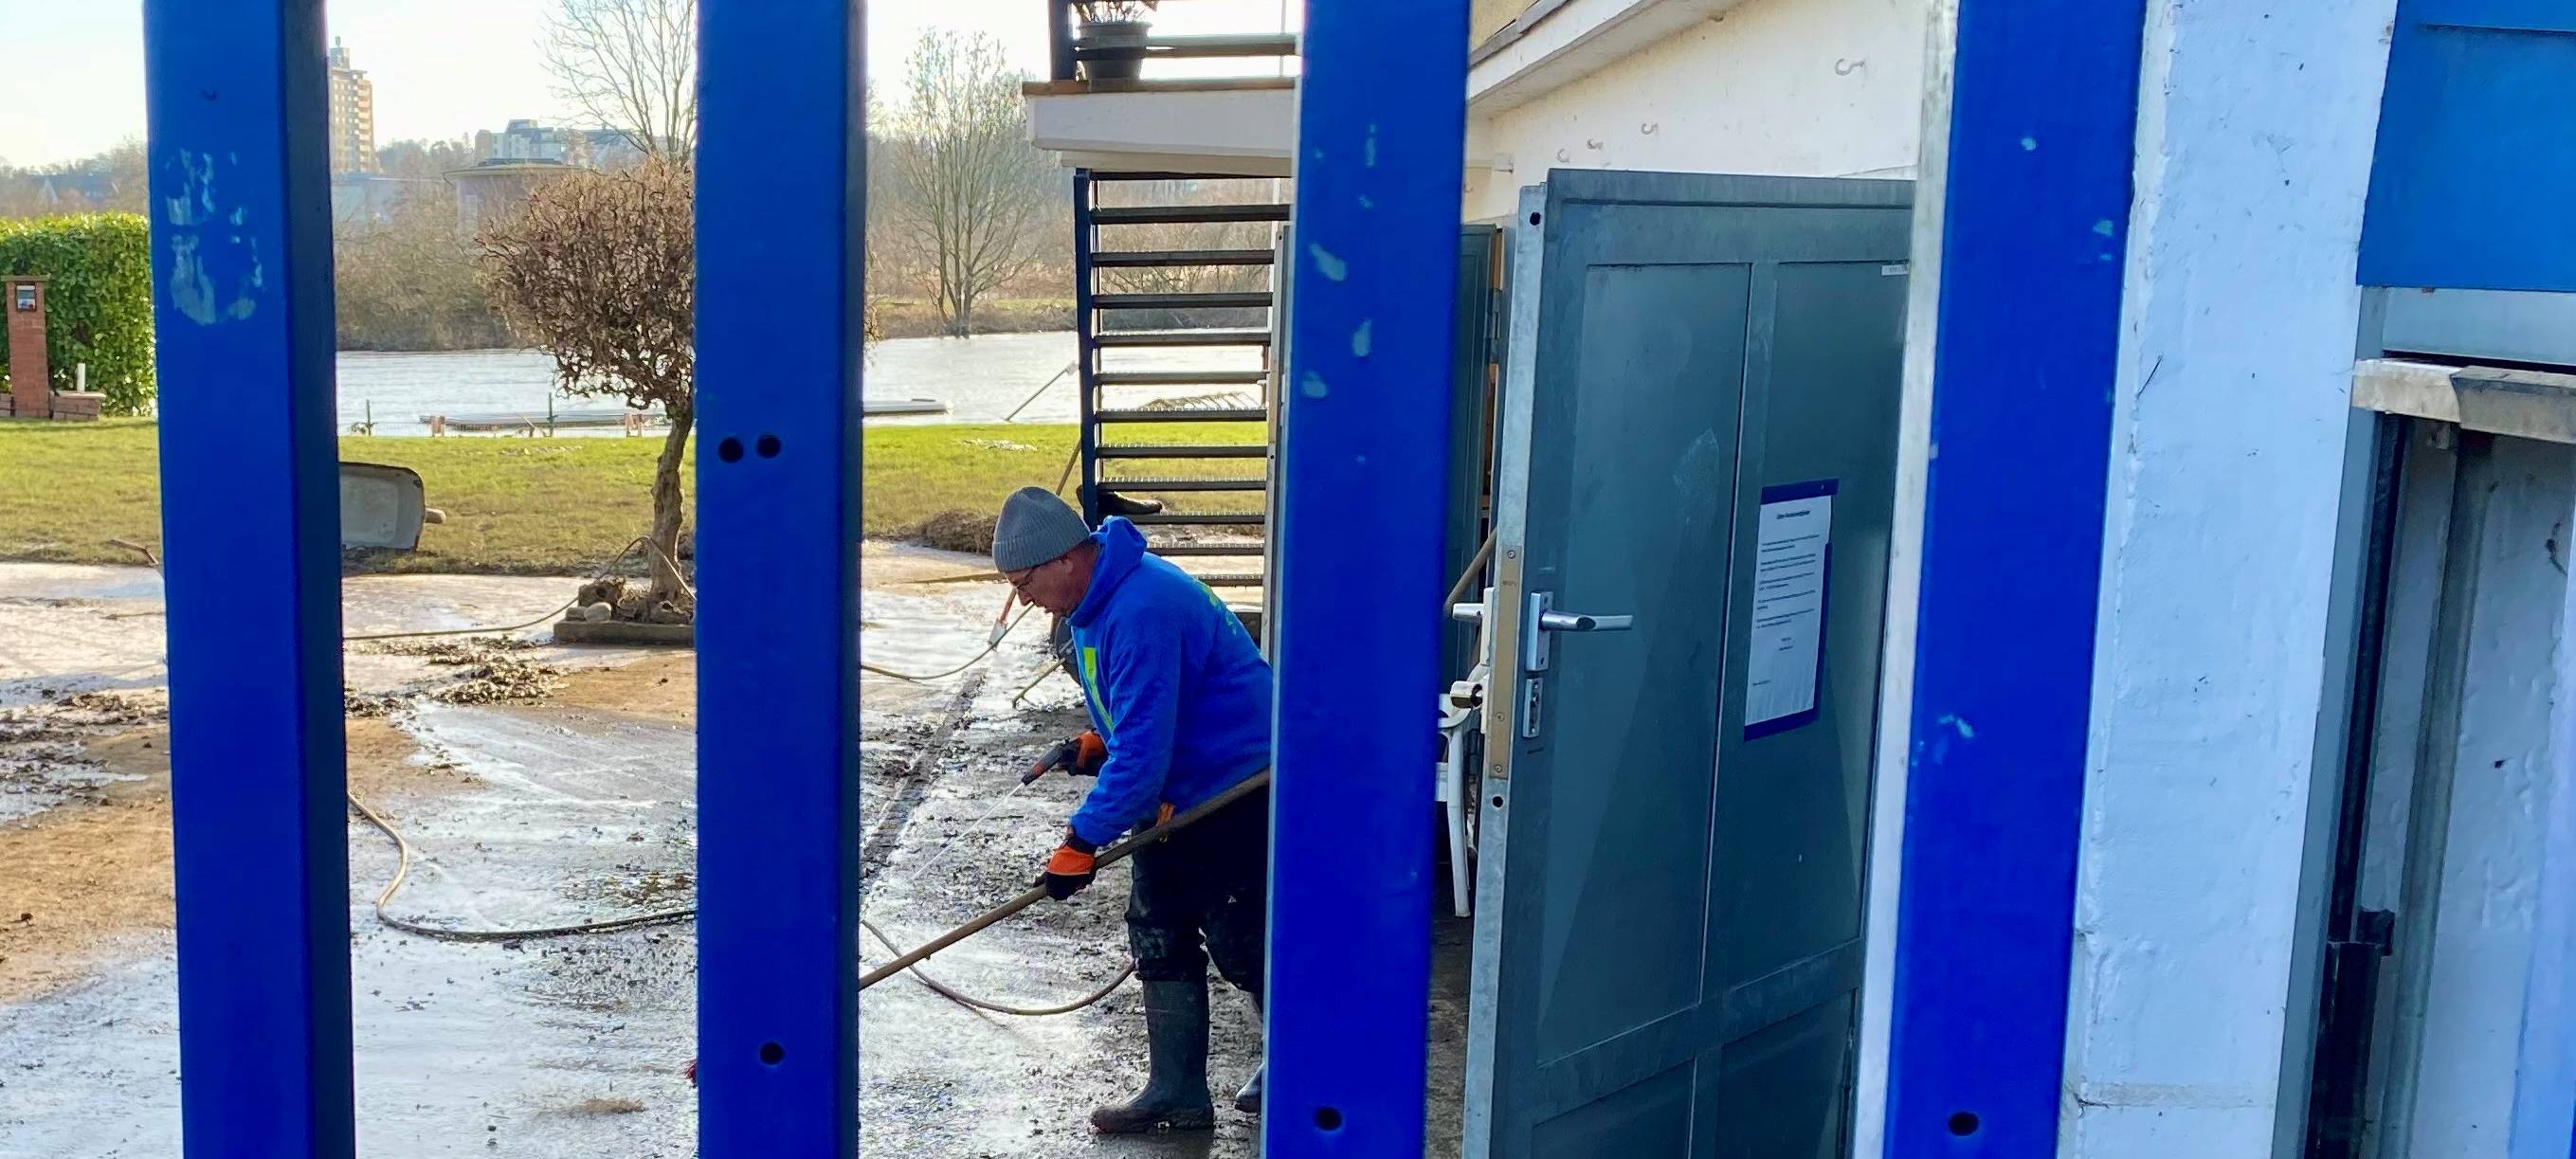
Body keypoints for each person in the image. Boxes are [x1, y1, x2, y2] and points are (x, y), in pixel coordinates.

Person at [992, 485, 1273, 1134]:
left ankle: (1307, 1058)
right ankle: (1176, 1090)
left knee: (1245, 939)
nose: (1024, 598)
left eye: (1025, 581)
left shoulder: (1143, 605)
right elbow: (1141, 719)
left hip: (1236, 787)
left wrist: (1081, 839)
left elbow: (1144, 760)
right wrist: (1098, 743)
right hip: (1181, 787)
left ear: (1065, 558)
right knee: (1157, 927)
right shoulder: (1094, 604)